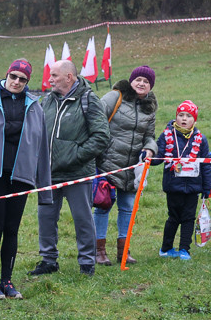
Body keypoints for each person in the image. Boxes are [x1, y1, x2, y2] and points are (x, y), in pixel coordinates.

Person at [0, 59, 51, 300]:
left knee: (12, 229)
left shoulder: (35, 107)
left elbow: (43, 147)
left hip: (21, 177)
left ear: (28, 82)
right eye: (13, 76)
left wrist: (44, 189)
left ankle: (7, 281)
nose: (16, 82)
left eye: (22, 79)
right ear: (6, 75)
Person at [28, 60, 110, 277]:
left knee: (83, 218)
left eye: (54, 75)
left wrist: (75, 156)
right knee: (45, 218)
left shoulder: (89, 100)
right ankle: (48, 260)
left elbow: (102, 137)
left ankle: (86, 263)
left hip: (77, 173)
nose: (50, 79)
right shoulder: (46, 101)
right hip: (48, 174)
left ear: (69, 77)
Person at [94, 65, 158, 266]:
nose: (141, 83)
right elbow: (95, 119)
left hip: (133, 168)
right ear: (131, 81)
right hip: (108, 163)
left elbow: (150, 136)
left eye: (146, 81)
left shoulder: (150, 108)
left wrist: (150, 149)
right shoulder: (115, 97)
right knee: (103, 206)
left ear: (150, 87)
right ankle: (99, 251)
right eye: (138, 79)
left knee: (128, 208)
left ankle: (124, 250)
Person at [155, 101, 211, 260]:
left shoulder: (201, 139)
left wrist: (207, 188)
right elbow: (158, 155)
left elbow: (206, 165)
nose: (184, 119)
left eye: (188, 116)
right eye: (181, 115)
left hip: (193, 187)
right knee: (173, 217)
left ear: (195, 120)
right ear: (176, 117)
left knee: (188, 218)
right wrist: (149, 157)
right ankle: (166, 248)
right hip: (173, 186)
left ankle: (184, 249)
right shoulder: (166, 136)